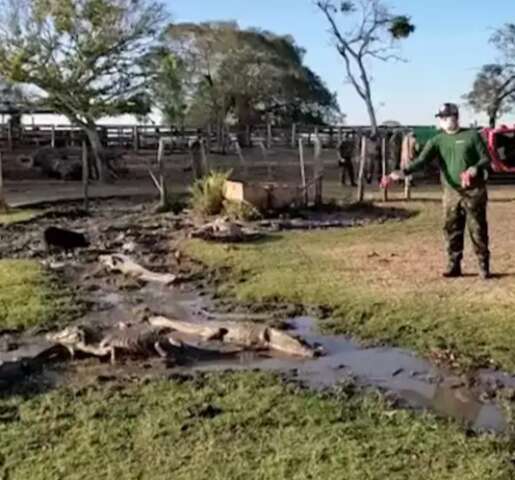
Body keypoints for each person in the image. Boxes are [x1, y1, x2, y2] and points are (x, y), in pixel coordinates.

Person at [384, 103, 492, 279]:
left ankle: (483, 265)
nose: (442, 121)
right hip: (451, 192)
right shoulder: (437, 140)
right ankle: (453, 264)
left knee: (477, 228)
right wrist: (401, 173)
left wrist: (474, 169)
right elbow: (421, 161)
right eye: (441, 118)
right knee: (451, 228)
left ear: (455, 117)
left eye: (445, 117)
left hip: (474, 191)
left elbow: (486, 159)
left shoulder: (472, 136)